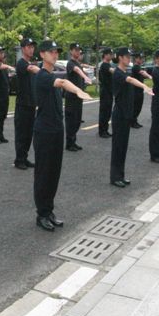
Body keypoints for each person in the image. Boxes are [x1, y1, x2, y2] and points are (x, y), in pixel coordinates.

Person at [33, 40, 91, 232]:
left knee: (54, 174)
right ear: (42, 54)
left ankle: (49, 211)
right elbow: (64, 82)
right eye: (50, 52)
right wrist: (79, 90)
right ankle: (41, 214)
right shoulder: (42, 76)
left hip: (57, 130)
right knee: (44, 173)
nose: (55, 54)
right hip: (44, 132)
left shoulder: (51, 74)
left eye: (56, 52)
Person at [110, 47, 154, 187]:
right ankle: (115, 177)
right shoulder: (118, 73)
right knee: (118, 147)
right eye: (127, 56)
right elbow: (129, 80)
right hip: (120, 115)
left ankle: (121, 175)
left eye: (130, 56)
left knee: (123, 147)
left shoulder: (125, 71)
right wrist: (144, 86)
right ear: (120, 57)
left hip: (126, 114)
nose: (130, 58)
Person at [14, 37, 40, 169]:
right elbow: (31, 69)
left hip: (31, 104)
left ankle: (24, 158)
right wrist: (43, 72)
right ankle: (19, 160)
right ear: (23, 48)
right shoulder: (21, 63)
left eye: (32, 47)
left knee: (29, 133)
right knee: (22, 134)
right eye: (29, 47)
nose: (31, 49)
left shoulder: (31, 63)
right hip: (22, 105)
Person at [65, 43, 93, 151]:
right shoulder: (70, 63)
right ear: (71, 51)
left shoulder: (77, 63)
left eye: (79, 50)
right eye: (76, 50)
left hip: (78, 97)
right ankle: (69, 143)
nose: (78, 52)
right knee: (71, 121)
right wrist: (85, 77)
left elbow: (81, 68)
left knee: (77, 120)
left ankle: (73, 141)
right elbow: (77, 70)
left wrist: (88, 70)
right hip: (72, 96)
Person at [0, 45, 14, 144]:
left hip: (5, 95)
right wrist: (9, 67)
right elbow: (1, 67)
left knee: (3, 115)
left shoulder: (3, 66)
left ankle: (1, 135)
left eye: (2, 52)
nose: (2, 54)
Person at [130, 52, 151, 128]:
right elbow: (142, 73)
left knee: (138, 106)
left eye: (142, 58)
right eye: (140, 58)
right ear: (136, 59)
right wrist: (150, 77)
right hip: (135, 90)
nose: (142, 60)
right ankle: (132, 122)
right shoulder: (136, 67)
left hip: (139, 90)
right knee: (136, 106)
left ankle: (134, 121)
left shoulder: (138, 66)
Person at [98, 47, 114, 138]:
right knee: (104, 112)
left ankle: (105, 129)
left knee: (108, 112)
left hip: (109, 91)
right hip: (105, 91)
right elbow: (112, 71)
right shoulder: (105, 65)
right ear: (105, 55)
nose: (111, 56)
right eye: (110, 54)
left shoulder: (108, 64)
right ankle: (102, 131)